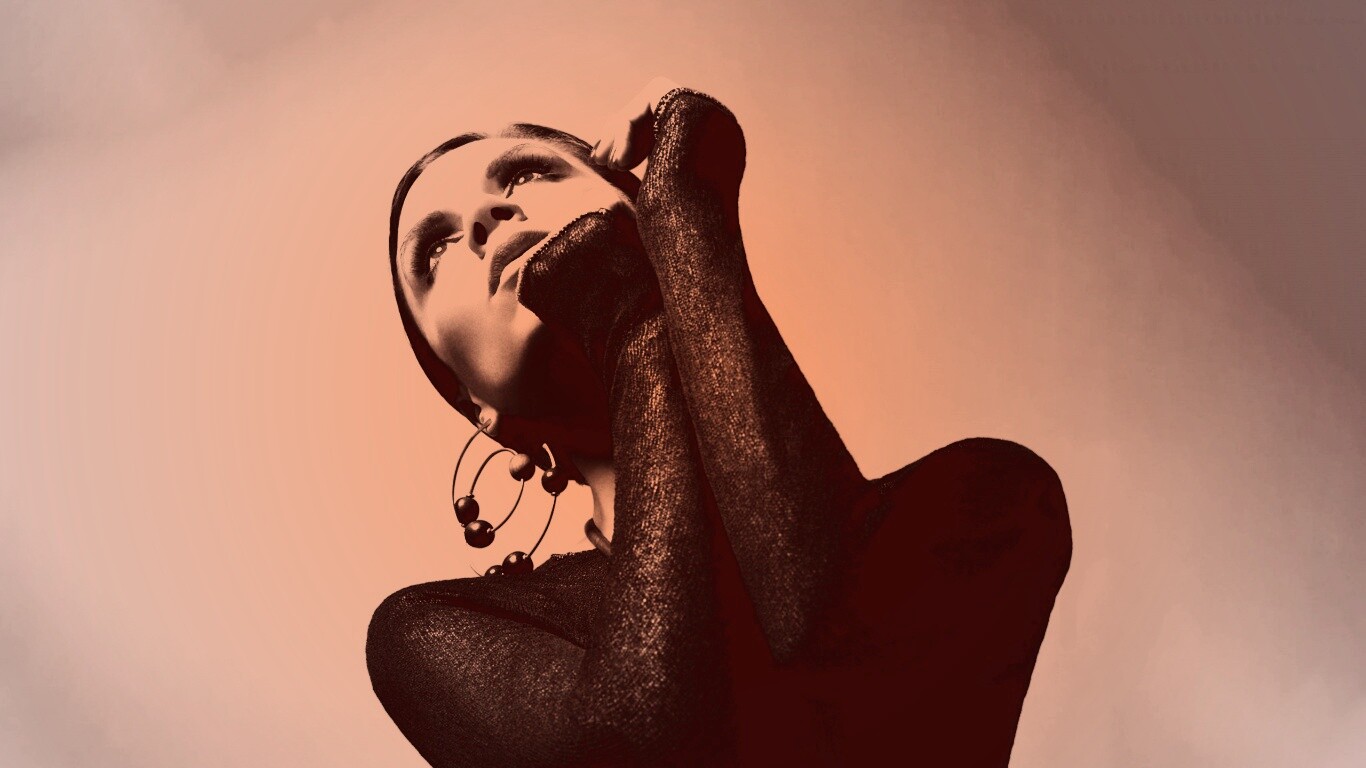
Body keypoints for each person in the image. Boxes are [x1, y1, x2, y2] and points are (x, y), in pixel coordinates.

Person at [367, 77, 1072, 767]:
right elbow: (641, 741)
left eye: (525, 174)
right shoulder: (436, 633)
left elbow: (830, 644)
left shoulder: (981, 499)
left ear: (644, 204)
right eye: (435, 250)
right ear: (480, 409)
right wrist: (632, 319)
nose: (485, 218)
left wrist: (690, 215)